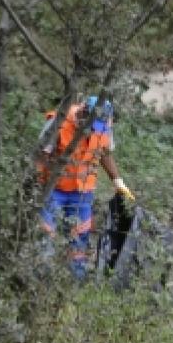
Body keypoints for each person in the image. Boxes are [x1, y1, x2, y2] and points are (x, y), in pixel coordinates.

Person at [36, 96, 134, 279]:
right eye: (91, 127)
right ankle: (42, 280)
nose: (93, 132)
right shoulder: (59, 122)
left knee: (79, 237)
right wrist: (38, 187)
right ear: (82, 114)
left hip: (82, 193)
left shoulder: (103, 125)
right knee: (45, 236)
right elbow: (40, 155)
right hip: (53, 190)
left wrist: (117, 180)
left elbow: (104, 152)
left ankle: (76, 279)